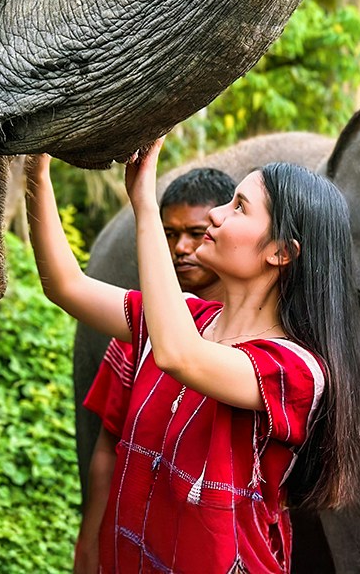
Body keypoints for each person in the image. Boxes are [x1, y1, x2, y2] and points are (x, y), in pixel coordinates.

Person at [27, 139, 360, 573]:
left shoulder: (295, 371)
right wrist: (35, 172)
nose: (215, 214)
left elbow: (179, 356)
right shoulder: (189, 318)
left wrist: (146, 207)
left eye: (239, 207)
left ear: (281, 252)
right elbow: (66, 286)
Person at [74, 167, 237, 574]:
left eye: (196, 233)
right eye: (169, 233)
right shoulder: (138, 332)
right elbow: (107, 448)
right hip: (141, 541)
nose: (181, 248)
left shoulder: (258, 344)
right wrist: (90, 541)